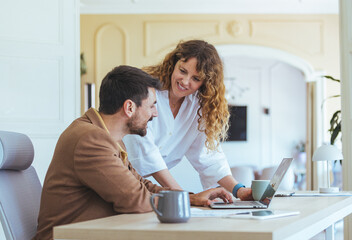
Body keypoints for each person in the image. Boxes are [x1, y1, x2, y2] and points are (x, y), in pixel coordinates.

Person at [33, 66, 232, 240]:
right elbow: (136, 200)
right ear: (129, 107)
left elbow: (142, 186)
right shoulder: (91, 139)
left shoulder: (108, 137)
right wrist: (185, 200)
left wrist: (191, 198)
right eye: (152, 105)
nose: (155, 113)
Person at [123, 40, 252, 200]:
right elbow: (147, 153)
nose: (184, 81)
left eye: (196, 78)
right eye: (182, 71)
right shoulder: (146, 92)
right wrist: (186, 198)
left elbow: (210, 158)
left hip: (154, 190)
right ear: (173, 63)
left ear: (206, 83)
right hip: (122, 178)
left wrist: (239, 190)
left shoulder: (198, 107)